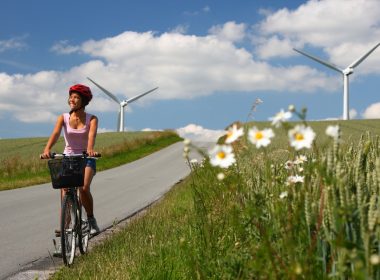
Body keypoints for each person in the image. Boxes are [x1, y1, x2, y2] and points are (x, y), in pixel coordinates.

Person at [41, 84, 100, 236]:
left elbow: (91, 136)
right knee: (65, 191)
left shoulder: (92, 119)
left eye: (76, 97)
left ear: (84, 101)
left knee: (84, 187)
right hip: (68, 158)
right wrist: (47, 149)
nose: (72, 100)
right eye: (71, 96)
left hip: (85, 157)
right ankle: (65, 228)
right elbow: (55, 134)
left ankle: (91, 220)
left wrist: (90, 150)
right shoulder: (63, 117)